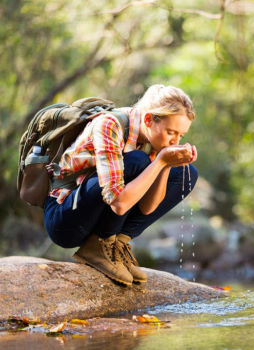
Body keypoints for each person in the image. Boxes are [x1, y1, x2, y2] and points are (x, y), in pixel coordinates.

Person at [43, 84, 198, 286]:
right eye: (171, 132)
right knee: (138, 162)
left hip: (95, 213)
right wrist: (159, 161)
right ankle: (99, 244)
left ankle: (117, 245)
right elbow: (119, 204)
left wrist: (167, 165)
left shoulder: (149, 140)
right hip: (65, 219)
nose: (175, 141)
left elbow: (147, 208)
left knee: (186, 174)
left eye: (181, 136)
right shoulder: (110, 124)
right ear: (149, 119)